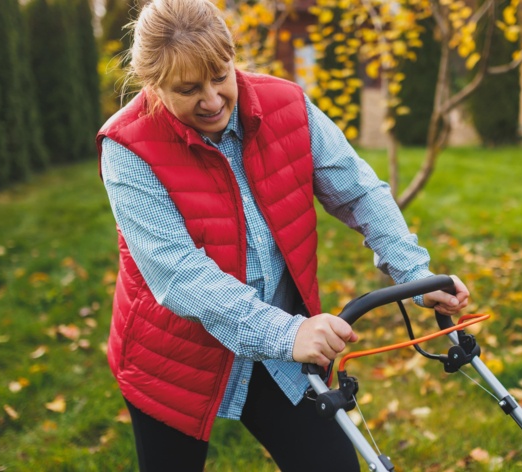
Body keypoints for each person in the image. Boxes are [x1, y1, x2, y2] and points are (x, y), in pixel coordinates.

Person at [96, 0, 470, 470]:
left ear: (233, 58)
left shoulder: (287, 106)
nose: (211, 100)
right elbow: (179, 275)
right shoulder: (128, 147)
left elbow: (359, 192)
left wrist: (417, 274)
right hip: (174, 356)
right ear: (152, 84)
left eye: (219, 76)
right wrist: (288, 332)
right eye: (188, 89)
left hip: (279, 345)